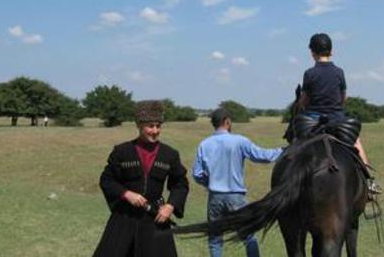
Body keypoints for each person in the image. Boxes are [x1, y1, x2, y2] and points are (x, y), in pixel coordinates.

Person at [93, 100, 189, 257]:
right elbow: (107, 180)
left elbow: (180, 184)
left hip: (156, 219)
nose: (155, 130)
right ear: (139, 125)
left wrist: (170, 206)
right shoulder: (122, 151)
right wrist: (126, 194)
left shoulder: (170, 154)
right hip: (124, 219)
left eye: (158, 126)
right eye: (150, 126)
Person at [192, 108, 283, 257]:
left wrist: (209, 183)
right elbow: (261, 156)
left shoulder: (204, 144)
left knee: (215, 239)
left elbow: (197, 174)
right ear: (227, 121)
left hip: (215, 197)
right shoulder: (239, 141)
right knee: (248, 236)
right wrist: (282, 150)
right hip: (236, 197)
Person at [297, 32, 380, 193]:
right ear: (331, 51)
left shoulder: (309, 74)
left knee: (296, 146)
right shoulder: (339, 72)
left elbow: (304, 101)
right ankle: (369, 181)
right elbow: (343, 98)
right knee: (356, 141)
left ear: (312, 52)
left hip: (313, 122)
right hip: (337, 120)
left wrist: (301, 103)